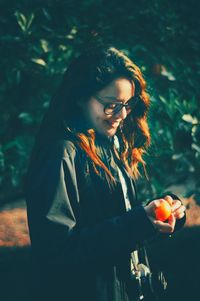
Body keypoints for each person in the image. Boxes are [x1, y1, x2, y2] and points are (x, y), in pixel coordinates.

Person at [25, 46, 186, 301]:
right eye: (111, 105)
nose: (122, 115)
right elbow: (57, 252)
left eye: (127, 104)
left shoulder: (110, 143)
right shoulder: (61, 154)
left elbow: (123, 214)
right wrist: (137, 223)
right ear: (80, 96)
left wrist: (164, 210)